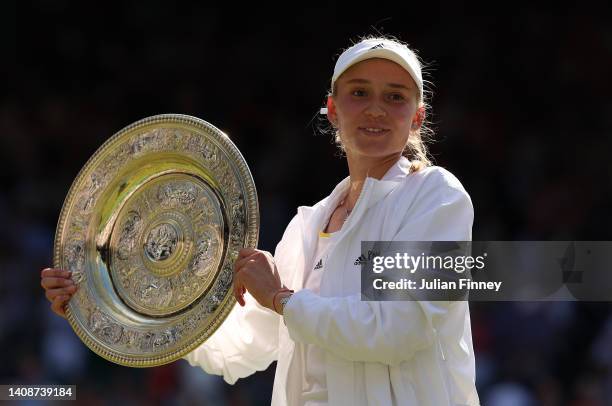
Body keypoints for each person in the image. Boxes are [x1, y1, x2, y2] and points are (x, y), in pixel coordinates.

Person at [41, 35, 480, 405]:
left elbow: (401, 329)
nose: (376, 109)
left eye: (395, 97)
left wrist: (282, 300)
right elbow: (240, 350)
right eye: (359, 92)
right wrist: (108, 304)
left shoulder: (438, 199)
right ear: (332, 109)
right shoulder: (306, 230)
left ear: (417, 116)